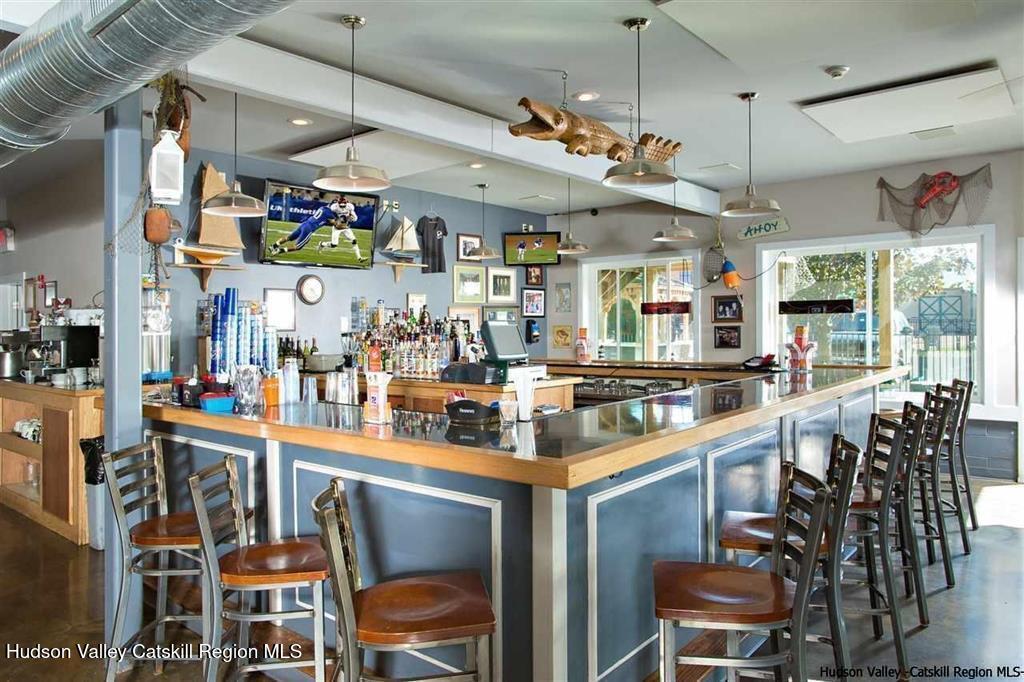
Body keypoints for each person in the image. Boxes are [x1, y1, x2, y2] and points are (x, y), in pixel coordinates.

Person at [267, 198, 364, 262]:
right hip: (309, 228)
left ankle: (273, 246)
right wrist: (346, 227)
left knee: (289, 237)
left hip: (305, 223)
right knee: (298, 247)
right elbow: (337, 226)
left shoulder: (322, 208)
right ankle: (279, 251)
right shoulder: (330, 214)